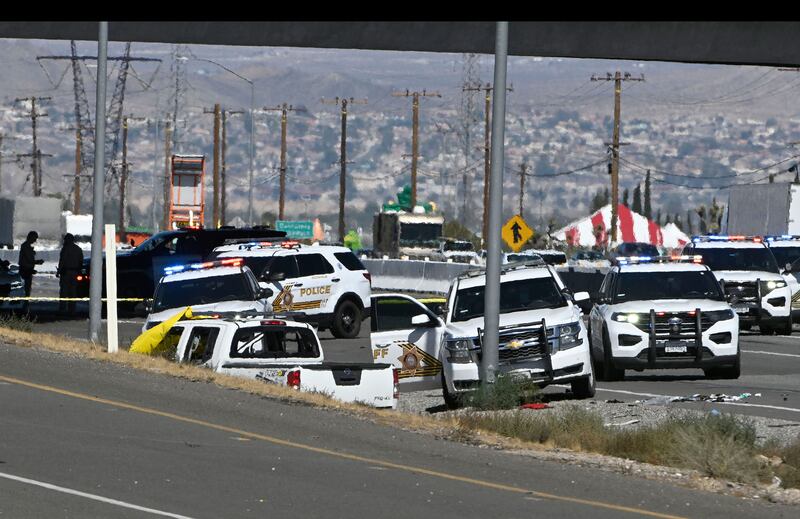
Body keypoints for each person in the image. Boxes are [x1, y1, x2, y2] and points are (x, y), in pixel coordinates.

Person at [56, 233, 84, 314]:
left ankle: (63, 309)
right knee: (73, 292)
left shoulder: (65, 249)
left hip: (66, 273)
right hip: (75, 272)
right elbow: (81, 262)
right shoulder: (78, 249)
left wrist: (59, 271)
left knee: (64, 292)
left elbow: (62, 261)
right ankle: (72, 309)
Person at [18, 230, 44, 312]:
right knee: (26, 289)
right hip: (26, 271)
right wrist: (37, 262)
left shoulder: (26, 246)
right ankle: (23, 307)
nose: (35, 240)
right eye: (34, 238)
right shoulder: (26, 246)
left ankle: (24, 306)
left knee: (26, 289)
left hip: (27, 270)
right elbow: (29, 259)